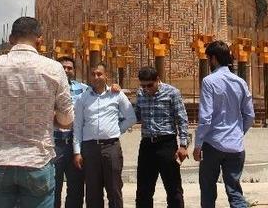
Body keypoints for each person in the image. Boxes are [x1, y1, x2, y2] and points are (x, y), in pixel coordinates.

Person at [0, 16, 74, 208]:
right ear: (40, 40)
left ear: (11, 39)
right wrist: (50, 117)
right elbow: (67, 119)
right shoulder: (53, 68)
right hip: (37, 160)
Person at [193, 40, 255, 208]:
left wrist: (198, 145)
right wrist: (238, 133)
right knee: (235, 192)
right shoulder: (240, 82)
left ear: (213, 58)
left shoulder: (209, 81)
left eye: (208, 59)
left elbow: (205, 118)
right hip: (236, 147)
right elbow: (250, 115)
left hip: (213, 144)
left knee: (208, 191)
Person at [73, 63, 136, 208]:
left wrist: (116, 130)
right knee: (92, 192)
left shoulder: (116, 94)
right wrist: (77, 152)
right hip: (90, 149)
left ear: (106, 75)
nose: (96, 77)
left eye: (99, 74)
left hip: (111, 147)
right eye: (93, 74)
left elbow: (131, 118)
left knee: (114, 190)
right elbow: (78, 126)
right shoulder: (82, 98)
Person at [133, 66, 189, 208]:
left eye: (150, 85)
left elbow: (182, 119)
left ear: (158, 80)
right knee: (143, 190)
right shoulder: (140, 94)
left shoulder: (172, 93)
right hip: (147, 145)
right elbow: (135, 115)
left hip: (166, 145)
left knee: (173, 188)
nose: (146, 89)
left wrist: (183, 145)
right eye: (143, 86)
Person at [53, 56, 88, 208]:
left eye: (69, 68)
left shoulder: (83, 89)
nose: (66, 70)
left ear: (74, 70)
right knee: (53, 186)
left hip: (75, 145)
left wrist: (114, 87)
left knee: (76, 187)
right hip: (54, 144)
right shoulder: (48, 88)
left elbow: (100, 93)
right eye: (63, 67)